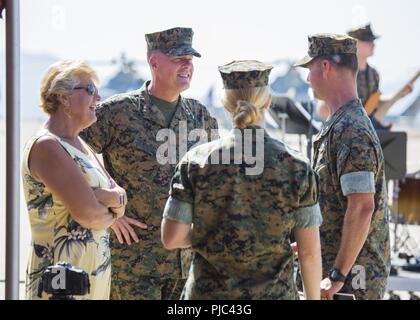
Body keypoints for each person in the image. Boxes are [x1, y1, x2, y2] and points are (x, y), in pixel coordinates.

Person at [161, 60, 322, 300]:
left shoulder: (195, 161)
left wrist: (215, 234)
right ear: (268, 102)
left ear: (226, 105)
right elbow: (309, 253)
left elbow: (171, 238)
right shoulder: (296, 166)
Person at [80, 27, 219, 300]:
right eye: (179, 58)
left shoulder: (200, 116)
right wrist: (105, 214)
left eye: (190, 59)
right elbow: (73, 157)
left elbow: (216, 178)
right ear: (154, 62)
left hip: (187, 264)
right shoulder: (118, 113)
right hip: (134, 263)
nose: (187, 66)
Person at [295, 34, 390, 300]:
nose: (307, 78)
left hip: (351, 282)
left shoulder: (352, 130)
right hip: (339, 275)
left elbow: (362, 207)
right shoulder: (341, 124)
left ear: (325, 67)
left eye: (309, 68)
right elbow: (334, 203)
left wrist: (337, 275)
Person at [22, 60, 127, 300]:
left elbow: (119, 197)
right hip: (60, 283)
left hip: (92, 279)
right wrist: (104, 203)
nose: (98, 97)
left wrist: (103, 198)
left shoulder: (83, 146)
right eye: (90, 90)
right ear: (63, 98)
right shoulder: (47, 145)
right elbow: (88, 214)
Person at [347, 23, 413, 130]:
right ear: (356, 43)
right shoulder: (343, 72)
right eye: (368, 41)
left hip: (367, 127)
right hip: (347, 128)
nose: (373, 45)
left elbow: (374, 103)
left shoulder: (374, 74)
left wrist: (399, 95)